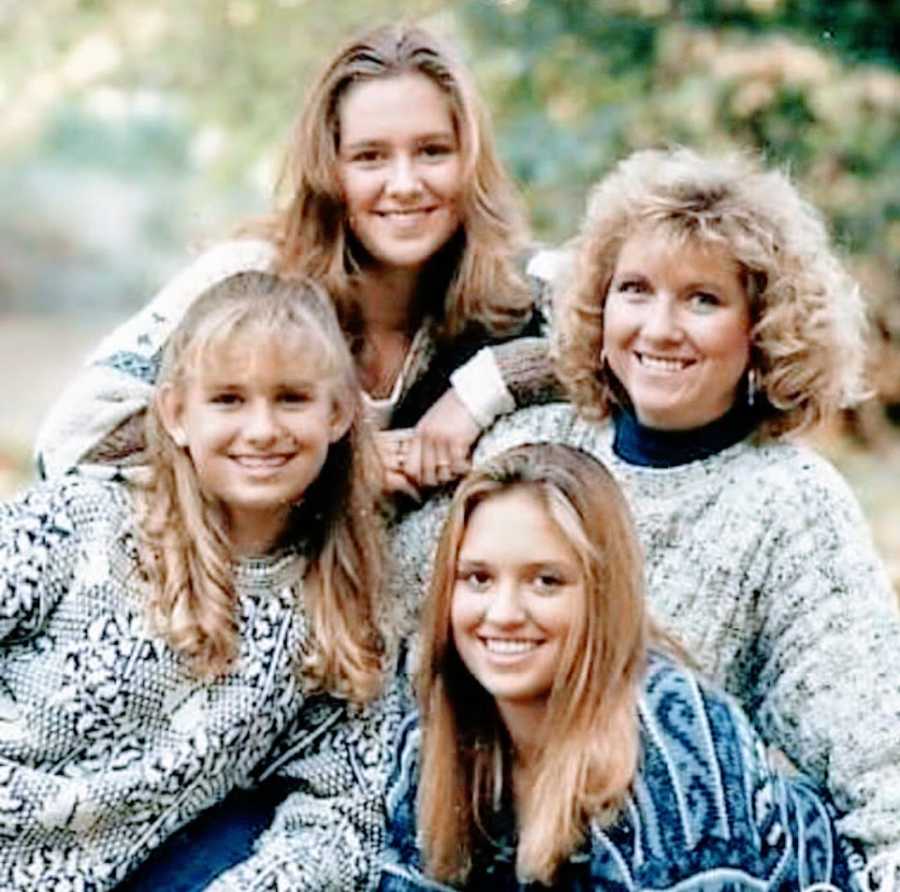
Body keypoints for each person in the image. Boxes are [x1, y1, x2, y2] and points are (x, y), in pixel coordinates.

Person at [387, 148, 900, 887]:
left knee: (651, 706)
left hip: (700, 846)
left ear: (762, 326)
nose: (659, 329)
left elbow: (876, 745)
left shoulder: (790, 503)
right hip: (535, 835)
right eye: (635, 290)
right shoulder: (536, 445)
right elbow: (404, 616)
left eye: (702, 300)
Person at [210, 444, 854, 890]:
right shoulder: (435, 732)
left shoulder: (676, 744)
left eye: (546, 581)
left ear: (601, 596)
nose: (504, 613)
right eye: (478, 578)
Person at [34, 23, 556, 501]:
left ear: (469, 161)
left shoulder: (510, 284)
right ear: (328, 170)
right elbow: (72, 440)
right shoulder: (246, 280)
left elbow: (620, 339)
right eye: (370, 156)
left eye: (432, 151)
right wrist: (330, 460)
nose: (403, 184)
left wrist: (485, 387)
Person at [0, 271, 390, 890]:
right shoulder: (78, 522)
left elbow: (344, 808)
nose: (262, 429)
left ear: (338, 413)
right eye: (229, 400)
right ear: (177, 414)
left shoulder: (338, 606)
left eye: (291, 398)